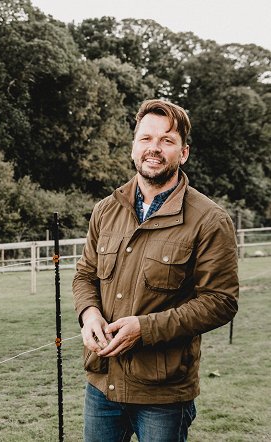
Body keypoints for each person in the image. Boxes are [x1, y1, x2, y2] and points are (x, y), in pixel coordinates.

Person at [72, 99, 239, 442]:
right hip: (101, 383)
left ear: (184, 152)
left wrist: (143, 329)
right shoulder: (106, 209)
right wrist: (89, 314)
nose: (154, 149)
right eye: (146, 139)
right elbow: (85, 274)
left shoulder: (209, 220)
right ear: (133, 147)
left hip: (163, 395)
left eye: (167, 140)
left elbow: (221, 301)